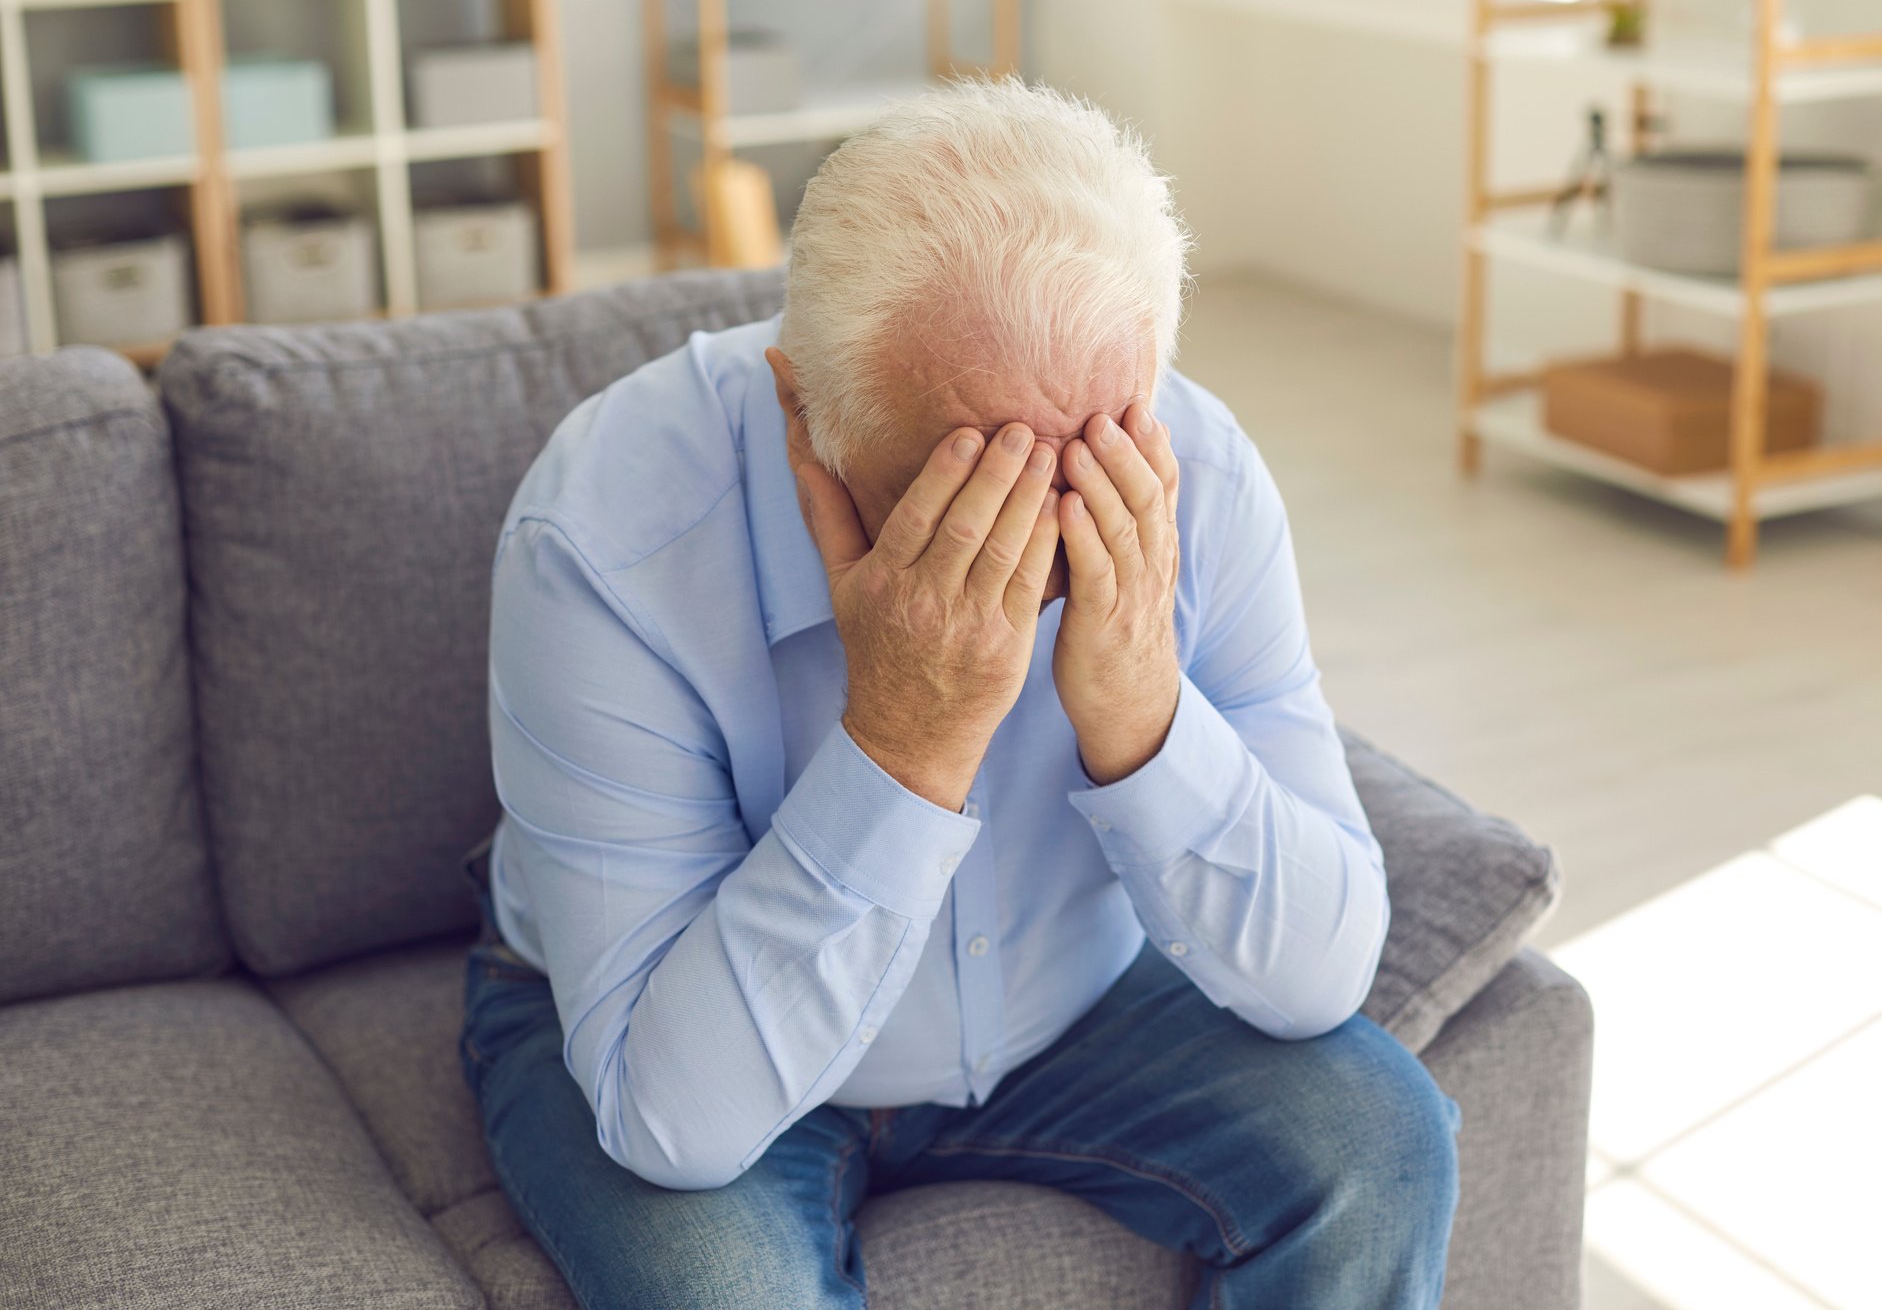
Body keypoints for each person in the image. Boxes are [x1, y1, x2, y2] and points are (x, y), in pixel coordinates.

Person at [459, 74, 1460, 1310]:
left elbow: (1320, 980)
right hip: (678, 1011)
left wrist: (1144, 713)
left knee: (1381, 1143)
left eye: (1085, 476)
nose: (1027, 562)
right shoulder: (605, 533)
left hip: (1074, 1009)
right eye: (957, 502)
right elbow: (677, 1121)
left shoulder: (1197, 466)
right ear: (806, 416)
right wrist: (903, 739)